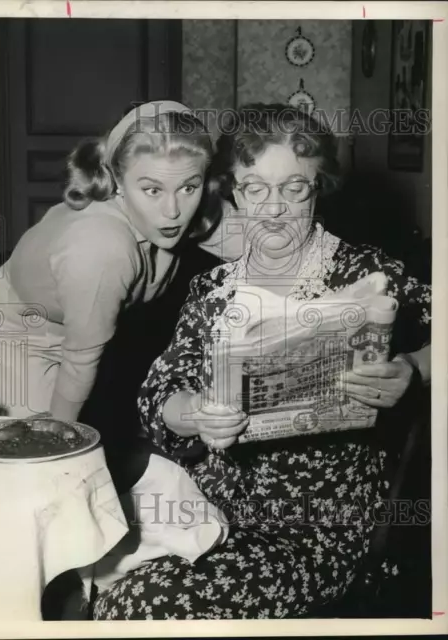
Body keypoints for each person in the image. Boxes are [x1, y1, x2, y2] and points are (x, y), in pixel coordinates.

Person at [93, 103, 431, 619]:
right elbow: (157, 396)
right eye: (255, 188)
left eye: (294, 188)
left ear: (319, 187)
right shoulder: (214, 288)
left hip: (316, 524)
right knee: (97, 573)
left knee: (144, 604)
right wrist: (194, 411)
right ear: (234, 190)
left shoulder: (364, 270)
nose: (272, 209)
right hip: (208, 507)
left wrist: (415, 367)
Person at [0, 100, 223, 425]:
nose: (172, 211)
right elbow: (80, 362)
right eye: (152, 190)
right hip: (21, 332)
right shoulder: (102, 248)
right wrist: (60, 435)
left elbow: (265, 243)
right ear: (117, 180)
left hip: (92, 323)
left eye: (189, 186)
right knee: (39, 449)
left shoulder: (191, 205)